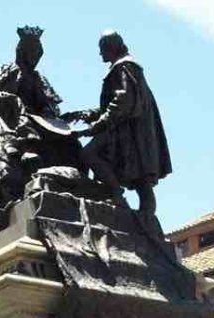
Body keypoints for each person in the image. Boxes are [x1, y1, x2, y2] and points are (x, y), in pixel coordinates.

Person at [0, 26, 80, 231]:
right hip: (7, 124)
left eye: (36, 54)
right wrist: (7, 99)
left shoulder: (38, 78)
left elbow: (50, 108)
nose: (33, 57)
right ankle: (1, 203)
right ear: (21, 51)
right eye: (30, 52)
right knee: (5, 157)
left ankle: (65, 186)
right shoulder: (8, 71)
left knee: (70, 144)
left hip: (36, 127)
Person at [65, 31, 172, 218]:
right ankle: (140, 212)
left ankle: (115, 195)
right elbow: (113, 104)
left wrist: (95, 127)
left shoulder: (124, 67)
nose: (100, 54)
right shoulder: (127, 67)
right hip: (128, 130)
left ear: (111, 47)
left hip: (127, 132)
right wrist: (84, 114)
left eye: (102, 49)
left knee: (90, 153)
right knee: (141, 179)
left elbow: (122, 101)